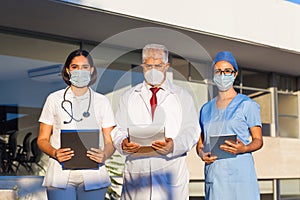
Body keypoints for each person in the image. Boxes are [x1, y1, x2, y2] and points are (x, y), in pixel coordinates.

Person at [111, 44, 201, 200]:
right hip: (137, 171)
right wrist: (122, 143)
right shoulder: (129, 96)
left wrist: (174, 146)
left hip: (170, 172)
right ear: (142, 66)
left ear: (166, 66)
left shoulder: (182, 96)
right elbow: (118, 129)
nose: (153, 70)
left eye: (158, 65)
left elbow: (192, 131)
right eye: (148, 65)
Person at [37, 49, 115, 200]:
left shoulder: (102, 101)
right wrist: (55, 153)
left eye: (85, 67)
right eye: (75, 67)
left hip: (94, 175)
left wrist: (105, 154)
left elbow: (109, 141)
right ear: (67, 70)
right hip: (60, 174)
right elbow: (42, 139)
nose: (80, 71)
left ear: (91, 70)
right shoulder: (54, 99)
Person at [196, 51, 263, 200]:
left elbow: (258, 140)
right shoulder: (206, 109)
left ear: (234, 74)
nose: (222, 75)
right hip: (215, 174)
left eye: (227, 71)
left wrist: (244, 148)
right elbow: (200, 143)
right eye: (218, 71)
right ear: (213, 75)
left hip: (240, 174)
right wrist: (202, 154)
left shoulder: (247, 104)